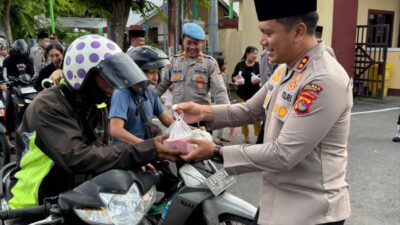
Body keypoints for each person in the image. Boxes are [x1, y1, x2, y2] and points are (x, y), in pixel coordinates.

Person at [173, 0, 352, 224]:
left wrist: (216, 151)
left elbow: (283, 154)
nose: (262, 41)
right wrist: (202, 112)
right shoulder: (288, 68)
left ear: (298, 32)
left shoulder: (323, 79)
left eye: (268, 32)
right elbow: (250, 109)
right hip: (276, 206)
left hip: (311, 214)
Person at [7, 35, 184, 212]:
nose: (115, 85)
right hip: (35, 203)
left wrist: (133, 162)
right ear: (84, 73)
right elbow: (76, 157)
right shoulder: (48, 105)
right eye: (110, 75)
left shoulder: (95, 104)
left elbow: (101, 150)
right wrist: (144, 150)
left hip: (75, 199)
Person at [156, 22, 233, 134]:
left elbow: (220, 92)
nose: (192, 47)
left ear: (202, 43)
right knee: (178, 151)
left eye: (196, 43)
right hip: (178, 122)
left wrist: (228, 117)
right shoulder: (174, 61)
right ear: (183, 41)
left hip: (200, 124)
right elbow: (161, 87)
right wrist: (147, 103)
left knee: (201, 151)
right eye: (189, 43)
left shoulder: (209, 63)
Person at [109, 45, 173, 144]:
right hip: (125, 153)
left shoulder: (150, 92)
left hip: (144, 152)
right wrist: (145, 145)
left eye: (157, 72)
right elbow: (116, 130)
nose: (156, 77)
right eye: (151, 72)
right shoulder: (121, 93)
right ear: (135, 71)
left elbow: (166, 119)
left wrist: (192, 130)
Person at [232, 46, 261, 143]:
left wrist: (259, 81)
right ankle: (246, 136)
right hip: (242, 94)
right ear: (248, 54)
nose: (255, 56)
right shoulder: (240, 65)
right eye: (254, 53)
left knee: (256, 116)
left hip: (255, 95)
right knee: (243, 116)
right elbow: (233, 77)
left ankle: (259, 136)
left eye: (256, 53)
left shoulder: (258, 65)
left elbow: (264, 77)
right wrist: (236, 79)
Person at [214, 56, 231, 144]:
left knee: (223, 118)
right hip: (220, 99)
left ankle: (219, 135)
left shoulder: (224, 74)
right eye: (224, 63)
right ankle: (216, 137)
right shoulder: (217, 75)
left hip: (225, 97)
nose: (226, 65)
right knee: (220, 117)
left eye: (226, 63)